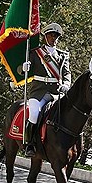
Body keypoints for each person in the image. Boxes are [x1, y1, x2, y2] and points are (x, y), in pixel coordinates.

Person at [21, 22, 71, 157]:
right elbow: (22, 70)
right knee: (34, 113)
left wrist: (66, 84)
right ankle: (30, 144)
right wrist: (24, 67)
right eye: (51, 35)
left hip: (56, 92)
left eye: (56, 36)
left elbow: (66, 73)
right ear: (45, 36)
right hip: (38, 92)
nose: (54, 39)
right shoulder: (36, 53)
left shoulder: (63, 55)